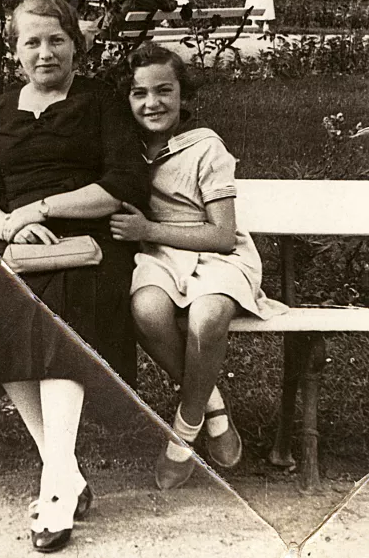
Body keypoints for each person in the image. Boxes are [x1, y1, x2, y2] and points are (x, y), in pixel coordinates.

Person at [0, 0, 149, 552]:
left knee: (62, 312)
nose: (44, 52)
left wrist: (40, 210)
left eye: (56, 40)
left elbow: (121, 185)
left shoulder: (101, 103)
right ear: (14, 50)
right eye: (31, 41)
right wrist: (12, 227)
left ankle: (55, 491)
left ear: (75, 45)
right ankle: (66, 471)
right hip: (22, 249)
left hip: (91, 249)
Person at [110, 43, 287, 491]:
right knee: (147, 312)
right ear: (126, 99)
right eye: (138, 93)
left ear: (183, 93)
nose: (152, 103)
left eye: (164, 90)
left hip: (215, 254)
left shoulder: (207, 147)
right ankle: (212, 404)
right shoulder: (125, 146)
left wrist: (147, 227)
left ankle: (183, 434)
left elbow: (222, 235)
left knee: (208, 316)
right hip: (158, 256)